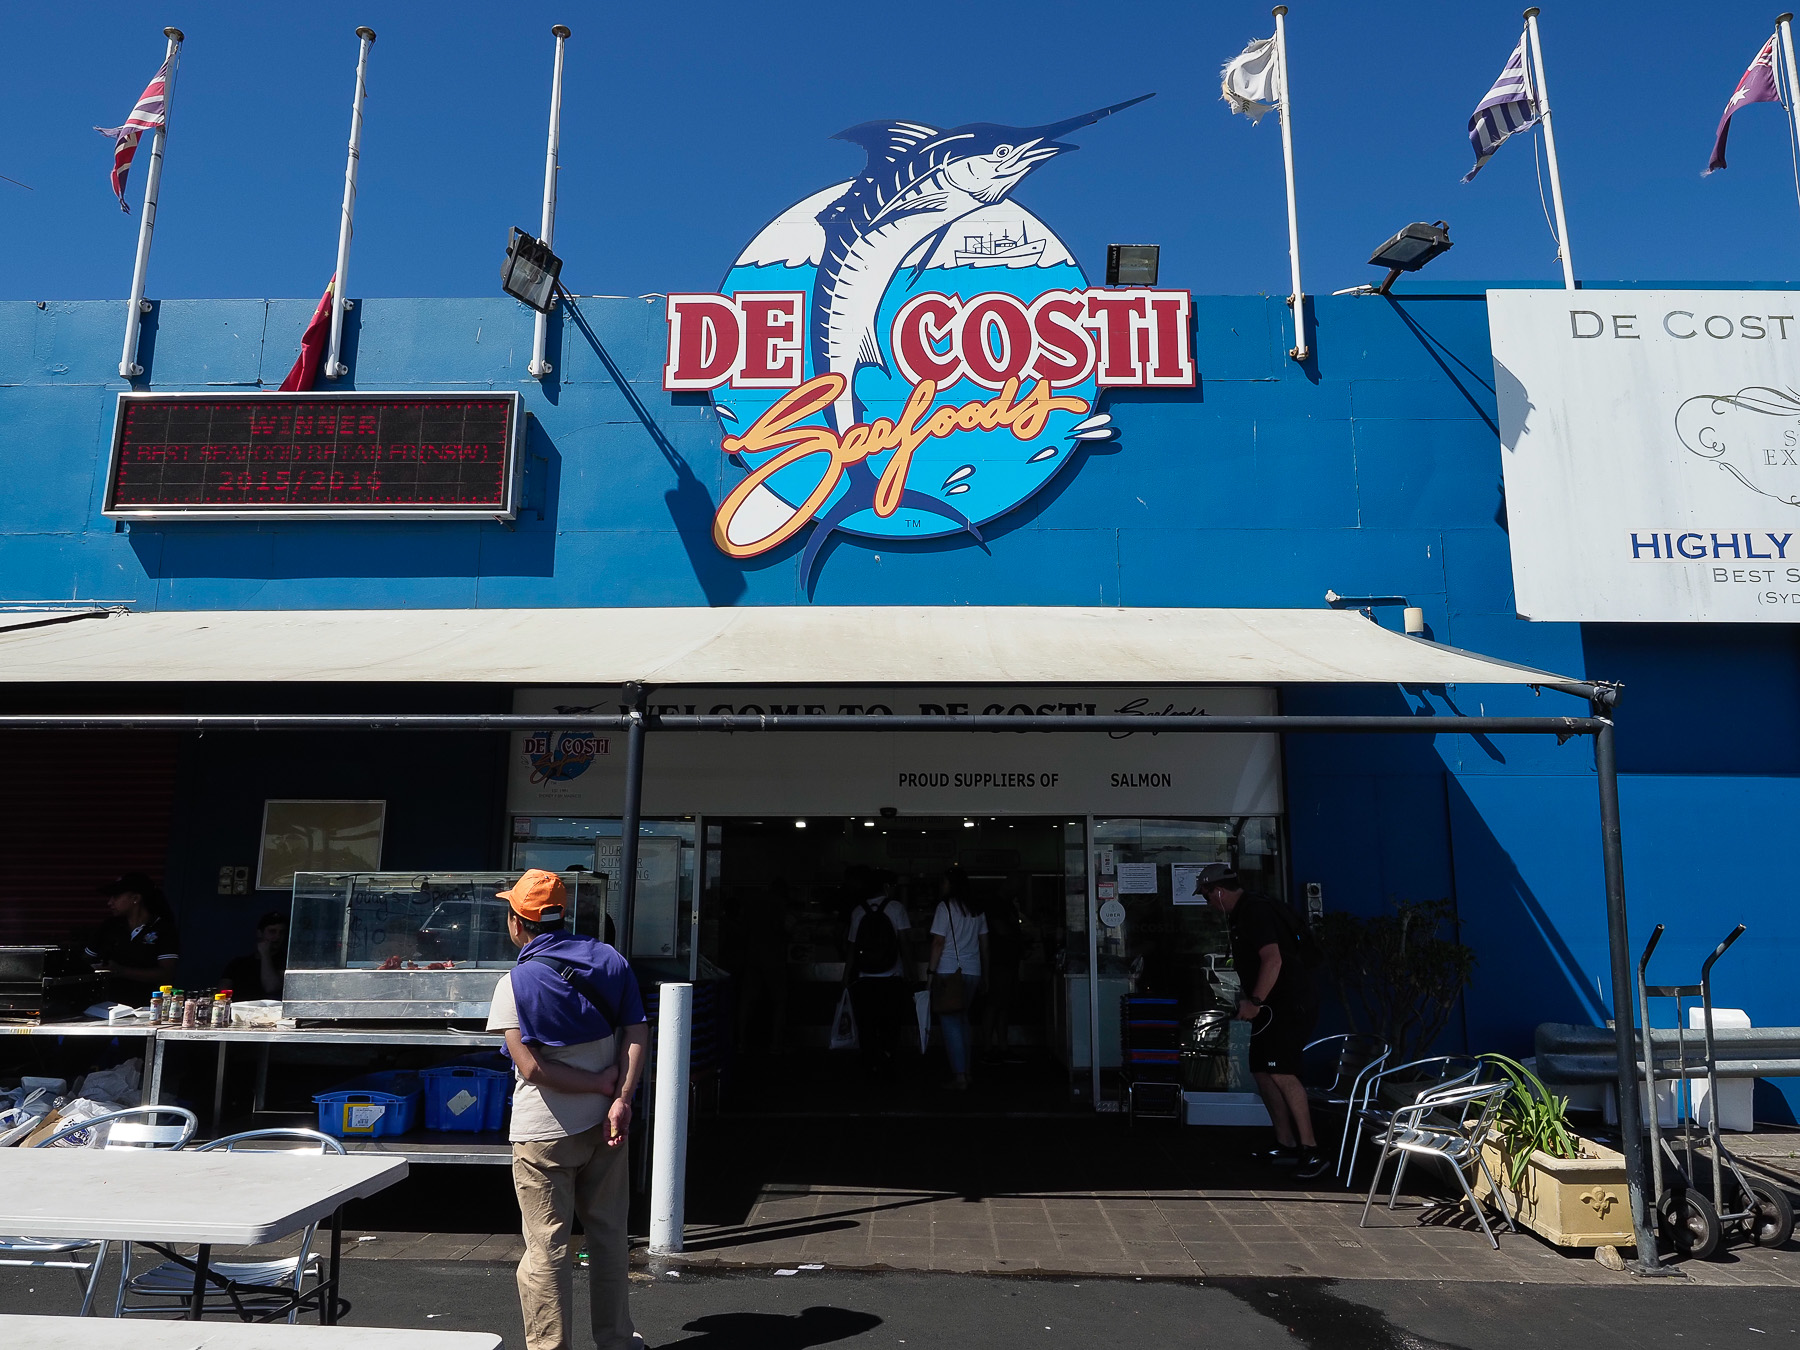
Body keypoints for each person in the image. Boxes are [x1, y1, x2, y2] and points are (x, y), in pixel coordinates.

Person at [485, 868, 648, 1350]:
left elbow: (532, 1068)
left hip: (543, 1132)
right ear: (562, 914)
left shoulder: (514, 983)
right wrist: (620, 1097)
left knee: (547, 1248)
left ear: (518, 922)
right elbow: (637, 1030)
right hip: (606, 1124)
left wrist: (596, 1083)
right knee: (609, 1235)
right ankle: (617, 1340)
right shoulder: (611, 961)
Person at [1198, 863, 1327, 1180]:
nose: (1207, 903)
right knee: (1261, 1070)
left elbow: (1273, 959)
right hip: (1270, 1005)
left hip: (1288, 1003)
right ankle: (1285, 1142)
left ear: (1218, 891)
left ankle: (1311, 1150)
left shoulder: (1254, 911)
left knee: (1281, 1070)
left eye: (1206, 896)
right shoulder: (1242, 913)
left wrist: (1255, 1001)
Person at [843, 869, 912, 1072]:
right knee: (890, 1021)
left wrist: (846, 975)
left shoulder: (858, 911)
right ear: (886, 887)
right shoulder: (897, 908)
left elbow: (852, 948)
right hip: (892, 976)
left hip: (865, 977)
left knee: (867, 1022)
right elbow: (905, 943)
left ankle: (870, 1060)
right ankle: (887, 1056)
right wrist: (911, 971)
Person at [928, 868, 988, 1090]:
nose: (941, 886)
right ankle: (967, 1071)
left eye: (944, 882)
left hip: (949, 971)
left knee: (951, 1022)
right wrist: (986, 975)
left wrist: (930, 973)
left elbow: (938, 943)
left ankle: (960, 1076)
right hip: (973, 971)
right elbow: (985, 945)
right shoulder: (977, 910)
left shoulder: (944, 908)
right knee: (963, 1021)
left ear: (951, 884)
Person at [83, 873, 179, 1006]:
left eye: (116, 897)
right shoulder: (109, 926)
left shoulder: (163, 928)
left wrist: (120, 971)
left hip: (147, 1008)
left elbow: (166, 973)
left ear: (135, 898)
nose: (110, 902)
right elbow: (85, 961)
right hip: (105, 1007)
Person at [222, 911, 288, 999]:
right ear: (260, 933)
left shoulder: (287, 962)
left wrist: (265, 954)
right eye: (272, 931)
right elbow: (222, 993)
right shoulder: (238, 964)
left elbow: (271, 987)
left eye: (281, 932)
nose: (277, 936)